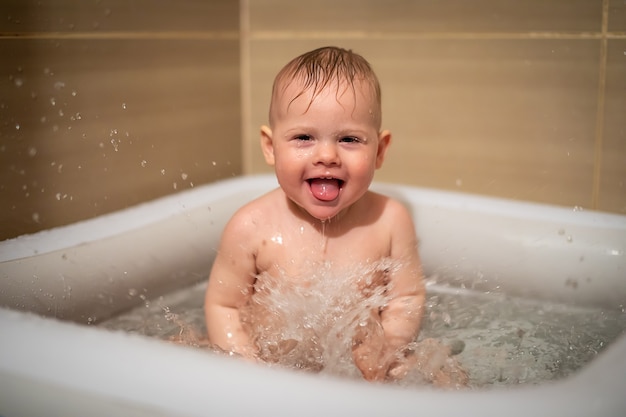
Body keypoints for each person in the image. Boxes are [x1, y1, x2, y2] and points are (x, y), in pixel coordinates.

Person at [204, 46, 426, 382]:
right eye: (304, 137)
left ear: (379, 150)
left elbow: (406, 298)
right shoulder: (251, 226)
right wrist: (247, 369)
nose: (327, 155)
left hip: (356, 375)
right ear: (270, 146)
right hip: (270, 369)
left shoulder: (390, 221)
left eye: (349, 139)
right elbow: (225, 307)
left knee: (438, 375)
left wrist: (388, 347)